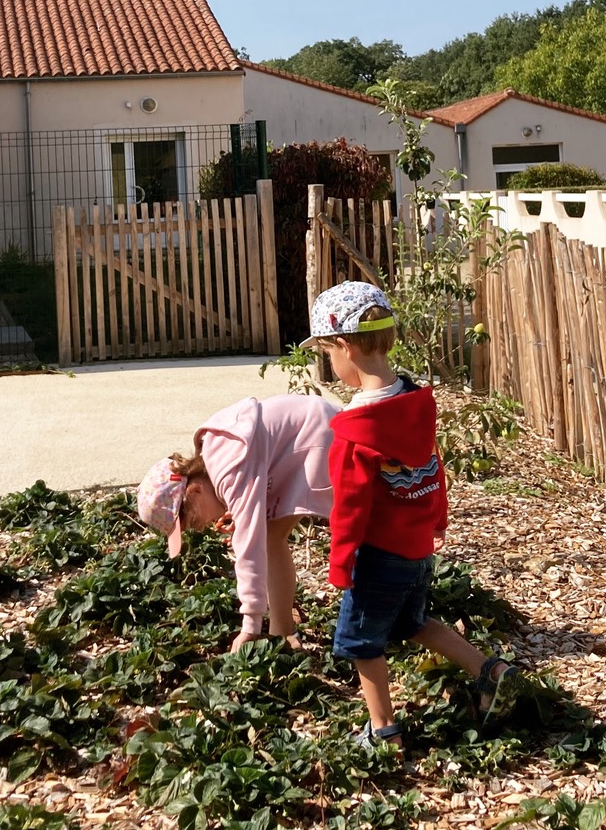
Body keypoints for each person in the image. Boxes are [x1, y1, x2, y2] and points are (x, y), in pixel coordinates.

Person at [311, 280, 519, 748]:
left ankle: (383, 730)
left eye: (328, 353)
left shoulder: (354, 432)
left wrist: (341, 564)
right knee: (413, 623)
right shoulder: (415, 403)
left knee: (362, 642)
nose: (331, 363)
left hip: (378, 557)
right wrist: (437, 520)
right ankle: (491, 670)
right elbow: (433, 468)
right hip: (417, 550)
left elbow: (350, 508)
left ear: (345, 346)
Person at [137, 392, 340, 650]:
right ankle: (282, 634)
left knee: (353, 527)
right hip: (314, 426)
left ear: (194, 491)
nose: (202, 527)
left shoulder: (229, 470)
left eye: (194, 520)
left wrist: (250, 625)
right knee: (271, 537)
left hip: (320, 436)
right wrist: (239, 507)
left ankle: (370, 620)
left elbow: (248, 546)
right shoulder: (216, 451)